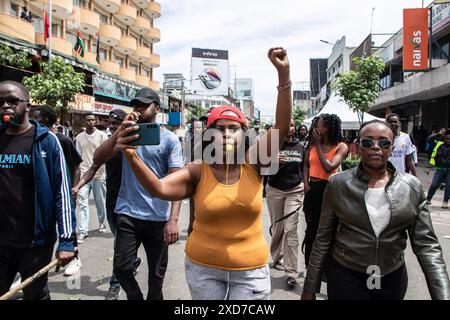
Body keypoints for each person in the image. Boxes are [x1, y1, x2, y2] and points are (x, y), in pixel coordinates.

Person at [116, 47, 292, 300]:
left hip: (250, 271)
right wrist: (131, 156)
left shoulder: (255, 162)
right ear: (210, 135)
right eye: (220, 128)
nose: (228, 133)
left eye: (235, 128)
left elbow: (282, 127)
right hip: (204, 270)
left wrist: (283, 75)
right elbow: (159, 188)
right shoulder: (197, 170)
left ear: (245, 134)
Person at [301, 120, 450, 300]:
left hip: (391, 278)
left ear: (392, 148)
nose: (376, 147)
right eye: (367, 142)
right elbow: (323, 238)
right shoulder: (338, 185)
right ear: (358, 147)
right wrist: (310, 287)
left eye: (384, 142)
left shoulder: (411, 188)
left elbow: (427, 247)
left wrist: (442, 294)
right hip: (346, 276)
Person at [87, 88, 183, 300]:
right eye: (135, 105)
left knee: (156, 279)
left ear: (157, 108)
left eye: (143, 105)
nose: (138, 108)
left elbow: (177, 182)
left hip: (158, 218)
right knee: (121, 269)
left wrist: (173, 220)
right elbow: (98, 158)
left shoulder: (169, 140)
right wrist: (120, 131)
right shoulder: (126, 135)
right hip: (127, 213)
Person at [0, 81, 76, 300]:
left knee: (35, 294)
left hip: (35, 241)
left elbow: (62, 192)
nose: (6, 106)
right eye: (1, 102)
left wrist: (67, 241)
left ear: (27, 105)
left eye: (12, 101)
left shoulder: (47, 141)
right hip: (2, 239)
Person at [72, 109, 142, 300]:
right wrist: (78, 185)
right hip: (112, 199)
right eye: (110, 122)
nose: (111, 125)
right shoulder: (109, 144)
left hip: (131, 201)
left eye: (116, 122)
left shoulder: (135, 142)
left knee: (119, 246)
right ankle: (133, 260)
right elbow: (94, 165)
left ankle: (114, 283)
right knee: (121, 245)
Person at [302, 114, 348, 269]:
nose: (316, 128)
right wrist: (306, 183)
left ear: (327, 128)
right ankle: (310, 265)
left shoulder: (341, 146)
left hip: (330, 190)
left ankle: (327, 267)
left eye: (319, 125)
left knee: (329, 230)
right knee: (311, 230)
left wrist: (318, 145)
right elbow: (306, 165)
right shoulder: (312, 146)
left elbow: (329, 167)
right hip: (313, 189)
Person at [266, 119, 305, 288]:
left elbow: (304, 169)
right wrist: (273, 160)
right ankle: (277, 258)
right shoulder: (272, 145)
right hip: (275, 190)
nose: (289, 128)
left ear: (294, 128)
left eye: (292, 125)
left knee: (291, 230)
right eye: (286, 124)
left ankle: (291, 272)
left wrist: (304, 184)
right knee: (278, 228)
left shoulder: (300, 147)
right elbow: (260, 168)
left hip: (295, 190)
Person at [75, 113, 109, 243]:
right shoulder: (79, 137)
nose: (90, 122)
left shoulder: (102, 136)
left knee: (100, 202)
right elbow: (77, 157)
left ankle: (101, 222)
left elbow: (106, 154)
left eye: (92, 120)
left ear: (96, 121)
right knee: (82, 202)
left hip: (99, 175)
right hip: (84, 174)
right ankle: (83, 231)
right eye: (88, 120)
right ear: (84, 121)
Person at [31, 105, 82, 187]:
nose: (32, 121)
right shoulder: (34, 139)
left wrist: (75, 187)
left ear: (46, 120)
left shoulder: (64, 140)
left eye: (35, 118)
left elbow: (76, 166)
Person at [427, 131, 450, 209]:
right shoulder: (439, 144)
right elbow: (429, 139)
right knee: (434, 185)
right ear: (444, 138)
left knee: (448, 186)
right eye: (447, 139)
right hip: (440, 169)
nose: (448, 141)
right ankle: (428, 199)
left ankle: (445, 201)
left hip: (449, 170)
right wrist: (438, 134)